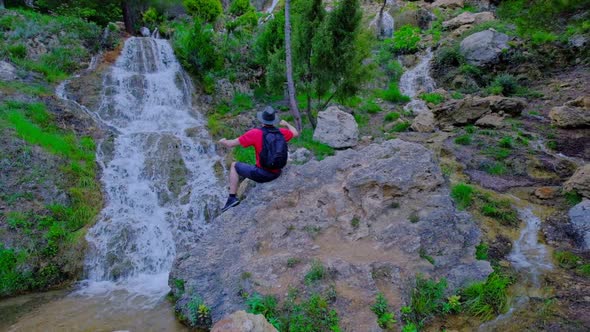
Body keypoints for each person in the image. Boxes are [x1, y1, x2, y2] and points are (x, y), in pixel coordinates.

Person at [218, 106, 299, 212]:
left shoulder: (255, 133)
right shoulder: (281, 132)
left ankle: (232, 198)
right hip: (277, 172)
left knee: (234, 165)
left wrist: (223, 141)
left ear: (262, 121)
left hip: (262, 175)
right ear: (274, 120)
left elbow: (231, 144)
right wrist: (287, 124)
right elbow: (295, 133)